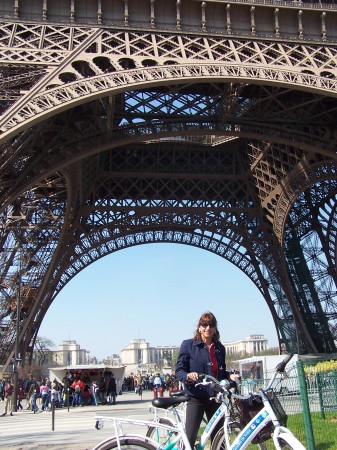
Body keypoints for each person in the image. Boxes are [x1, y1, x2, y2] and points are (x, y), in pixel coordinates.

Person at [175, 311, 233, 448]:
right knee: (189, 439)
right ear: (199, 327)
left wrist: (230, 376)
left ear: (215, 328)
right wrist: (188, 376)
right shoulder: (188, 345)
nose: (208, 328)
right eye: (204, 325)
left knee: (220, 439)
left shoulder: (220, 348)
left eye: (211, 325)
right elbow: (179, 371)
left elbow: (220, 372)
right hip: (196, 397)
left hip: (215, 397)